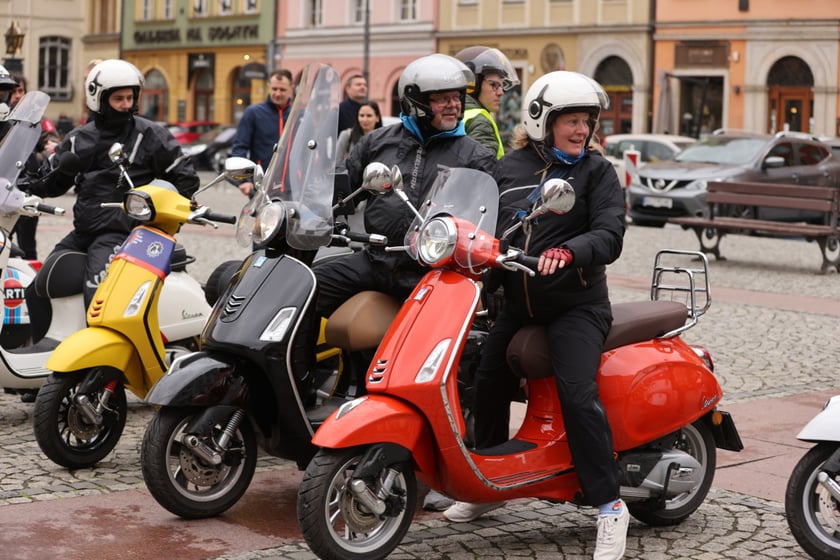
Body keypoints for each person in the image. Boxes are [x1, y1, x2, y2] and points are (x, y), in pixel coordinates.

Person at [441, 71, 629, 560]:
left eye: (586, 122)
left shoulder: (597, 173)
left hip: (577, 306)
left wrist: (571, 251)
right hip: (517, 305)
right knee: (486, 377)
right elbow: (486, 225)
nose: (581, 131)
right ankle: (487, 487)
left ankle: (610, 505)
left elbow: (610, 234)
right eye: (571, 120)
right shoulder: (510, 167)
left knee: (577, 392)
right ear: (543, 119)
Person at [24, 59, 199, 344]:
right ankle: (45, 373)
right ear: (99, 98)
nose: (126, 104)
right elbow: (50, 184)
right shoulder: (79, 138)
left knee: (98, 301)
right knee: (39, 289)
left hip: (125, 232)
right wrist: (30, 183)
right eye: (118, 98)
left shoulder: (151, 135)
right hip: (84, 232)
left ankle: (104, 382)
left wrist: (162, 213)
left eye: (130, 98)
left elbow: (186, 179)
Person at [313, 53, 496, 322]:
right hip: (377, 260)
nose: (454, 105)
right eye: (443, 99)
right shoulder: (377, 142)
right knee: (307, 286)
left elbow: (492, 214)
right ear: (417, 101)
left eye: (457, 97)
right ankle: (297, 363)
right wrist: (303, 204)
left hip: (431, 270)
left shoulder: (475, 156)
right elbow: (342, 184)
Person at [230, 68, 294, 197]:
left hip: (294, 188)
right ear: (268, 87)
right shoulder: (253, 113)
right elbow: (240, 148)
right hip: (262, 187)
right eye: (274, 89)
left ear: (291, 89)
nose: (277, 93)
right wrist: (244, 180)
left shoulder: (299, 115)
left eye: (282, 90)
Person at [454, 46, 519, 158]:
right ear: (472, 85)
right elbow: (484, 169)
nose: (500, 92)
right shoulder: (480, 122)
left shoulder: (451, 114)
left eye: (501, 86)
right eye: (493, 85)